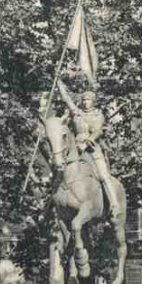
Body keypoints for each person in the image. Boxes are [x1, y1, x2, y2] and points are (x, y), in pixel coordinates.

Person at [57, 79, 121, 219]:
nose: (85, 102)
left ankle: (114, 205)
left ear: (93, 102)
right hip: (75, 150)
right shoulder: (77, 113)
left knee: (104, 176)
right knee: (60, 171)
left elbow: (98, 131)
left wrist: (86, 143)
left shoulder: (98, 115)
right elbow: (67, 99)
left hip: (92, 150)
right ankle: (52, 204)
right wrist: (59, 83)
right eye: (84, 100)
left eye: (88, 100)